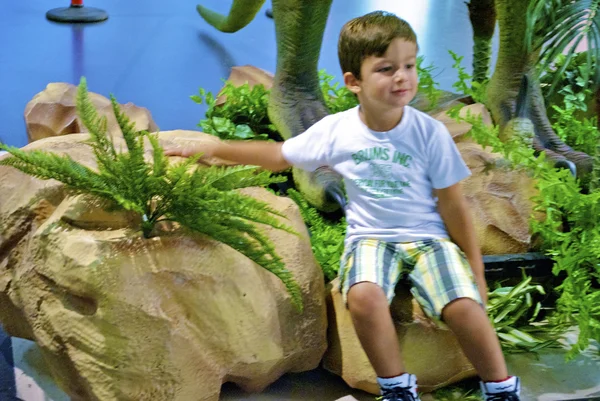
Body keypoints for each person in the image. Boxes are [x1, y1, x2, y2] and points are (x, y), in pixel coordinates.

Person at [165, 10, 521, 401]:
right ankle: (396, 389)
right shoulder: (338, 130)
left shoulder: (429, 133)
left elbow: (452, 203)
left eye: (409, 65)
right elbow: (279, 155)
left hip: (427, 238)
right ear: (354, 81)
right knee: (364, 297)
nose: (402, 77)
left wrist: (474, 268)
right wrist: (216, 148)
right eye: (386, 69)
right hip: (370, 238)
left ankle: (501, 388)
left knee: (464, 306)